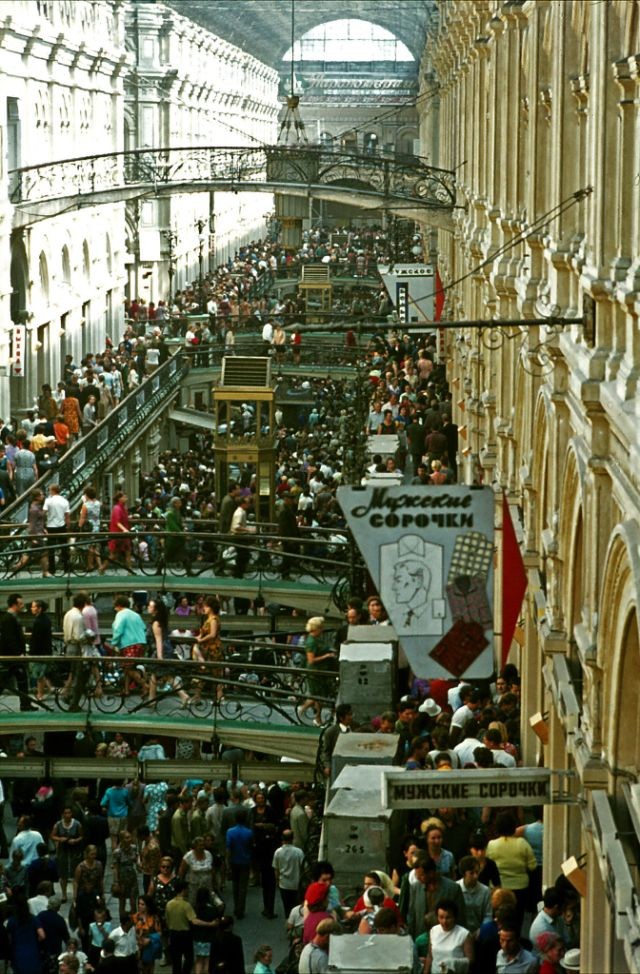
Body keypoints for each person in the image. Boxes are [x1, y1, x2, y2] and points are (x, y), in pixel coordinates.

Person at [486, 813, 536, 924]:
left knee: (499, 921)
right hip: (521, 888)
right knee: (517, 920)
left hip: (498, 890)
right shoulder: (522, 844)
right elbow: (533, 866)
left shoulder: (492, 845)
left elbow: (487, 866)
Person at [298, 617, 335, 726]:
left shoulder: (317, 639)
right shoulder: (311, 642)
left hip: (321, 670)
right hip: (315, 671)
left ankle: (313, 715)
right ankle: (307, 712)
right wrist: (327, 656)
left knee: (318, 695)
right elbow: (311, 659)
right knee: (317, 695)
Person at [107, 595, 148, 696]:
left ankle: (145, 686)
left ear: (119, 606)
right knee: (129, 668)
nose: (115, 609)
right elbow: (144, 627)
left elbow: (118, 630)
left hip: (129, 644)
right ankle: (126, 690)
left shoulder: (121, 614)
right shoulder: (136, 615)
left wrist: (113, 643)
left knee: (128, 668)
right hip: (141, 643)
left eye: (115, 606)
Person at [424, 899, 473, 974]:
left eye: (448, 918)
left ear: (454, 917)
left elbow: (471, 960)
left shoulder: (464, 934)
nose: (444, 921)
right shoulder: (434, 931)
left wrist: (453, 963)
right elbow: (430, 956)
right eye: (441, 917)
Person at [192, 596, 224, 703]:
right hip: (207, 649)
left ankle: (219, 697)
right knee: (203, 672)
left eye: (206, 606)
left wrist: (200, 641)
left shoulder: (214, 619)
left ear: (210, 607)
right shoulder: (208, 619)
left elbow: (212, 634)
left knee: (216, 673)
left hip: (213, 650)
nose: (204, 608)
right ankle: (197, 696)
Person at [6, 891, 45, 974]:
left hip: (17, 952)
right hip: (33, 951)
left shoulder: (12, 920)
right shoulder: (33, 918)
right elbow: (42, 935)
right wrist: (35, 940)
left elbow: (8, 939)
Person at [50, 806, 83, 903]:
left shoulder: (77, 824)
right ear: (63, 814)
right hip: (63, 851)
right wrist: (60, 839)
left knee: (75, 874)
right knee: (63, 874)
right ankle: (64, 894)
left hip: (74, 851)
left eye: (69, 813)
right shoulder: (58, 824)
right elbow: (52, 836)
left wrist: (75, 840)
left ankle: (75, 895)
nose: (67, 815)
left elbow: (81, 836)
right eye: (65, 813)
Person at [225, 808, 253, 920]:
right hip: (245, 861)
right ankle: (240, 909)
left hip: (234, 861)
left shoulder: (230, 832)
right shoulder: (249, 832)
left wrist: (227, 863)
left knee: (235, 886)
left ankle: (236, 907)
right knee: (243, 887)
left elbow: (228, 849)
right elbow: (250, 847)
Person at [272, 829, 304, 918]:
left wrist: (277, 881)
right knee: (296, 906)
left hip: (284, 884)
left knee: (287, 906)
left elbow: (276, 869)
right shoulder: (299, 852)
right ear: (292, 838)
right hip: (296, 883)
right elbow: (304, 868)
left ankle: (288, 921)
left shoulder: (278, 852)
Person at [318, 703, 353, 776]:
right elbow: (326, 751)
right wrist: (328, 766)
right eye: (348, 715)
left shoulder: (354, 728)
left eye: (351, 714)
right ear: (341, 717)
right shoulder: (331, 732)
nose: (351, 717)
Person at [43, 483, 71, 573]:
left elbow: (43, 513)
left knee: (51, 548)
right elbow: (67, 516)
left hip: (51, 526)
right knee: (64, 547)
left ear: (52, 490)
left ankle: (52, 568)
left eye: (49, 490)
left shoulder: (48, 501)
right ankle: (66, 566)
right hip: (61, 525)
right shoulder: (64, 501)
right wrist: (68, 526)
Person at [178, 836, 213, 906]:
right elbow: (182, 871)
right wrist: (182, 886)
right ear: (195, 846)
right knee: (192, 904)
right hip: (193, 886)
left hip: (207, 884)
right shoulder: (188, 856)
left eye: (203, 845)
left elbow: (211, 869)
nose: (202, 847)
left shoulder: (208, 854)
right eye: (200, 845)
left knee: (208, 903)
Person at [102, 492, 132, 571]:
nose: (126, 498)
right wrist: (124, 529)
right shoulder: (117, 508)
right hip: (118, 533)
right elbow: (117, 522)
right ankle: (102, 568)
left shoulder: (124, 508)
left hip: (124, 533)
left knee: (128, 551)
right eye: (124, 497)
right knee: (114, 554)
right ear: (119, 498)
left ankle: (130, 570)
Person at [78, 487, 102, 572]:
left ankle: (90, 565)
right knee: (95, 547)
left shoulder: (86, 505)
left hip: (89, 527)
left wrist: (79, 526)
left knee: (90, 547)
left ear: (87, 495)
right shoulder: (98, 503)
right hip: (96, 525)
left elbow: (83, 518)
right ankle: (99, 565)